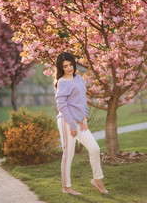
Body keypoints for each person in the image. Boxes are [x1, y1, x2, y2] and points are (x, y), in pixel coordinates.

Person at [55, 52, 108, 196]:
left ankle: (97, 180)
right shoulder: (62, 82)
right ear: (61, 68)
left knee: (95, 149)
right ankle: (66, 187)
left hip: (80, 121)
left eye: (71, 64)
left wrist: (85, 117)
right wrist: (72, 125)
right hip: (67, 122)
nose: (69, 68)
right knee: (68, 154)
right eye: (65, 66)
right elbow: (61, 104)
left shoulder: (78, 78)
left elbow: (84, 99)